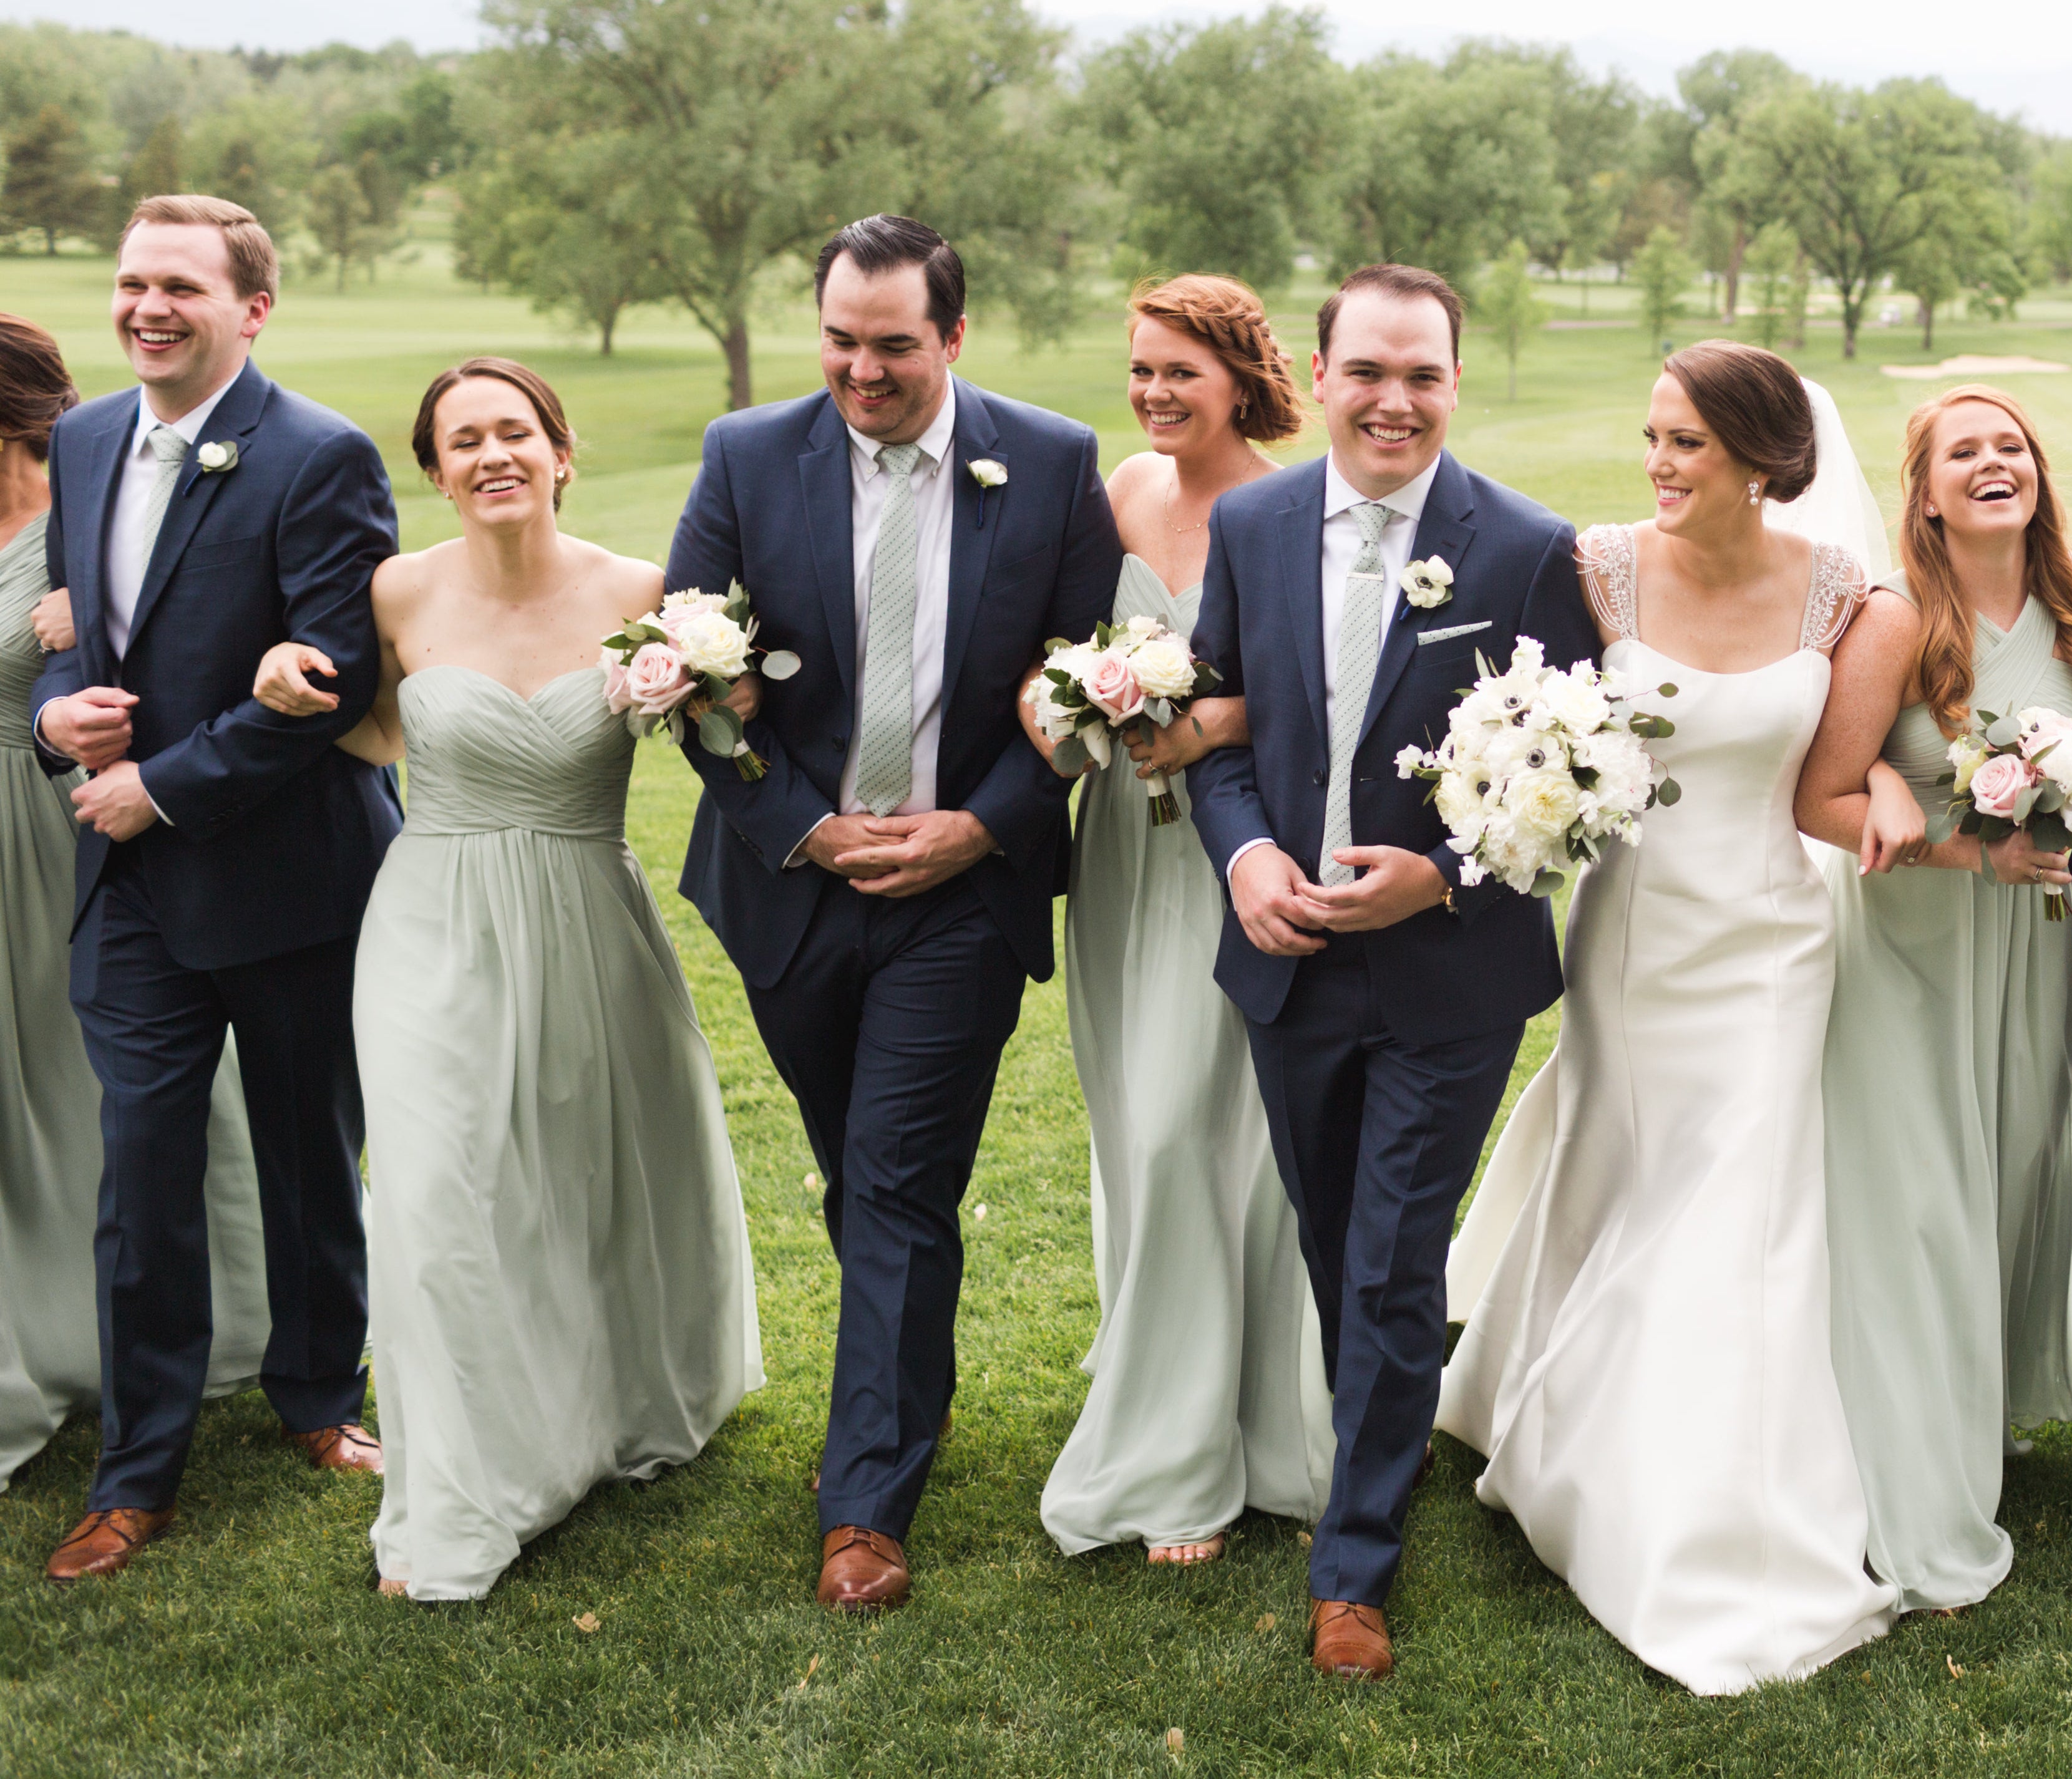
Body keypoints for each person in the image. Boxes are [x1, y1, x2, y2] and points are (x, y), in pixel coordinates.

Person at [247, 358, 762, 1599]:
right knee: (434, 1196)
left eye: (515, 432)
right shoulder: (393, 587)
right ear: (433, 471)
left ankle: (593, 1403)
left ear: (560, 449)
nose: (493, 454)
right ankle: (457, 1495)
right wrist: (277, 681)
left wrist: (731, 696)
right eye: (463, 440)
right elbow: (370, 726)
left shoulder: (649, 594)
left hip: (591, 908)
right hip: (433, 916)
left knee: (583, 1175)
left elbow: (733, 747)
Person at [664, 215, 1118, 1611]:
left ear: (954, 339)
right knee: (861, 1172)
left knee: (902, 1173)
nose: (864, 371)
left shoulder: (1049, 462)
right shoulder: (748, 454)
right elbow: (676, 665)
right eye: (842, 342)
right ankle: (900, 1384)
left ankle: (866, 1499)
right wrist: (798, 820)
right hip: (788, 882)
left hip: (961, 895)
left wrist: (976, 827)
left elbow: (1092, 683)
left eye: (895, 347)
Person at [1438, 342, 1898, 1692]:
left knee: (1737, 1214)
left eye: (1686, 444)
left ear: (1764, 457)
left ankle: (1708, 1524)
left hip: (1770, 942)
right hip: (1631, 937)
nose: (1658, 465)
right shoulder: (1596, 569)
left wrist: (1900, 805)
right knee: (1623, 1171)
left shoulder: (1843, 594)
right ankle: (1552, 1406)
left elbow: (1836, 780)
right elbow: (1528, 721)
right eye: (1652, 438)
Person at [1184, 264, 1596, 1682]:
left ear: (1455, 384)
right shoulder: (1248, 522)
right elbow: (1219, 733)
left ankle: (1351, 1565)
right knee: (1333, 1244)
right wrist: (1242, 860)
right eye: (1368, 371)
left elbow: (1575, 768)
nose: (1394, 401)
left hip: (1446, 974)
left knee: (1388, 1255)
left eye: (1422, 375)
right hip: (1287, 956)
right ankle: (1385, 1436)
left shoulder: (1532, 549)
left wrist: (1443, 870)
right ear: (1322, 369)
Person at [27, 196, 401, 1583]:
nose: (146, 307)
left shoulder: (320, 456)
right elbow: (75, 634)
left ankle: (317, 1394)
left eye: (180, 284)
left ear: (254, 307)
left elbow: (335, 679)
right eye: (132, 282)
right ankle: (138, 1472)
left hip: (289, 875)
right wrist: (58, 720)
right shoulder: (79, 437)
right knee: (144, 1173)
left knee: (311, 1154)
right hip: (126, 887)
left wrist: (165, 783)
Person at [1794, 384, 2072, 1612]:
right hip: (1915, 947)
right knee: (1917, 1204)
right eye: (1962, 452)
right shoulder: (1892, 620)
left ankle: (1971, 1411)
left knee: (2009, 1173)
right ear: (1921, 492)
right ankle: (1907, 1478)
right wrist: (1950, 837)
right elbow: (1818, 797)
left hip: (2030, 947)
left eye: (2012, 445)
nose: (1995, 462)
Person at [1031, 274, 1331, 1566]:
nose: (1154, 393)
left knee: (1207, 1134)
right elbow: (1051, 652)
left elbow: (1323, 691)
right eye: (1141, 368)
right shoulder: (1115, 495)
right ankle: (1171, 1376)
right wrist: (1068, 708)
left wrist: (1199, 720)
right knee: (1135, 1127)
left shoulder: (1289, 508)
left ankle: (1210, 1442)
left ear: (1239, 376)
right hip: (1117, 858)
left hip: (1234, 848)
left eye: (1180, 373)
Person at [0, 313, 272, 1496]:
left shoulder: (91, 505)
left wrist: (67, 629)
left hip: (71, 835)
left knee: (112, 1082)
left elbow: (186, 635)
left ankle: (189, 1317)